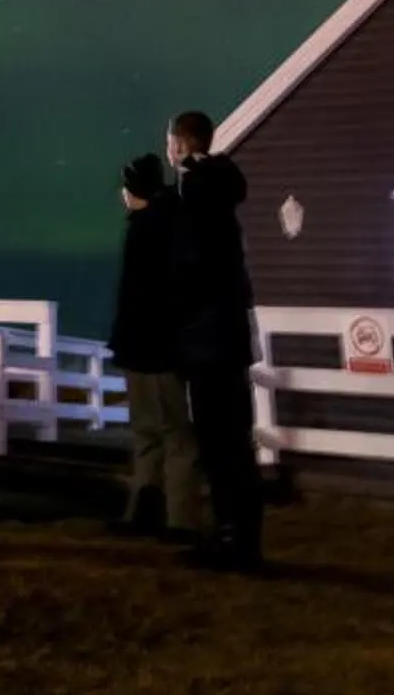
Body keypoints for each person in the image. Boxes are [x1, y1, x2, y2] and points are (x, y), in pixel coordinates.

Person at [164, 108, 264, 570]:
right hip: (225, 335)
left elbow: (191, 268)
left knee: (220, 442)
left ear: (180, 144)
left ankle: (233, 541)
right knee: (232, 442)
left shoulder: (197, 194)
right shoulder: (220, 190)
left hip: (208, 338)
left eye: (171, 142)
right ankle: (238, 536)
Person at [105, 153, 205, 539]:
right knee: (163, 433)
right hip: (157, 349)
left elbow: (141, 297)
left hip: (150, 349)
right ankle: (160, 515)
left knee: (165, 435)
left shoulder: (148, 230)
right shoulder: (170, 224)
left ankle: (176, 520)